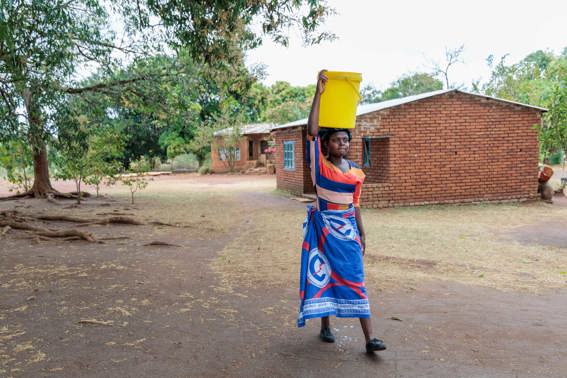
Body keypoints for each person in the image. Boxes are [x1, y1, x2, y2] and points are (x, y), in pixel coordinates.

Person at [297, 70, 386, 353]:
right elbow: (311, 132)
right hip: (323, 230)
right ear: (325, 145)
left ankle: (370, 339)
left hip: (347, 231)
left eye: (345, 140)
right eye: (336, 140)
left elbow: (355, 204)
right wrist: (318, 94)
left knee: (355, 278)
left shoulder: (356, 173)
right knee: (324, 273)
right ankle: (325, 326)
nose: (342, 144)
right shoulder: (319, 166)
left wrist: (361, 231)